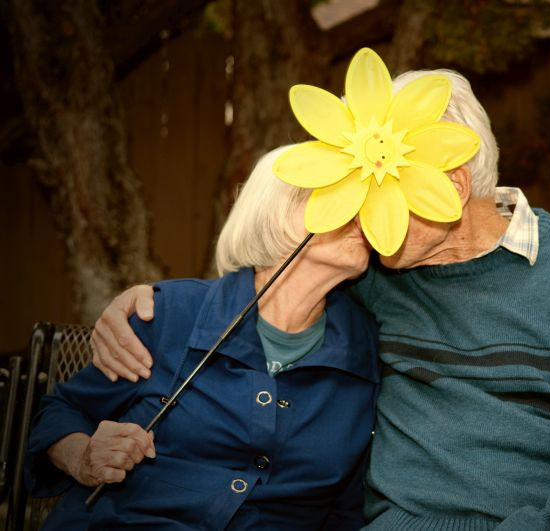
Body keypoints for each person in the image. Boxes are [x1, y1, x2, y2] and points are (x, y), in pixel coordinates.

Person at [91, 69, 550, 530]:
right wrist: (145, 301)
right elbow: (266, 290)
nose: (360, 213)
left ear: (450, 187)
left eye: (380, 189)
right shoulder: (371, 275)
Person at [25, 145, 380, 530]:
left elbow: (345, 510)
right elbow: (60, 413)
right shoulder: (169, 313)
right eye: (333, 193)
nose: (358, 210)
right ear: (277, 215)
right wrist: (84, 456)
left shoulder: (368, 350)